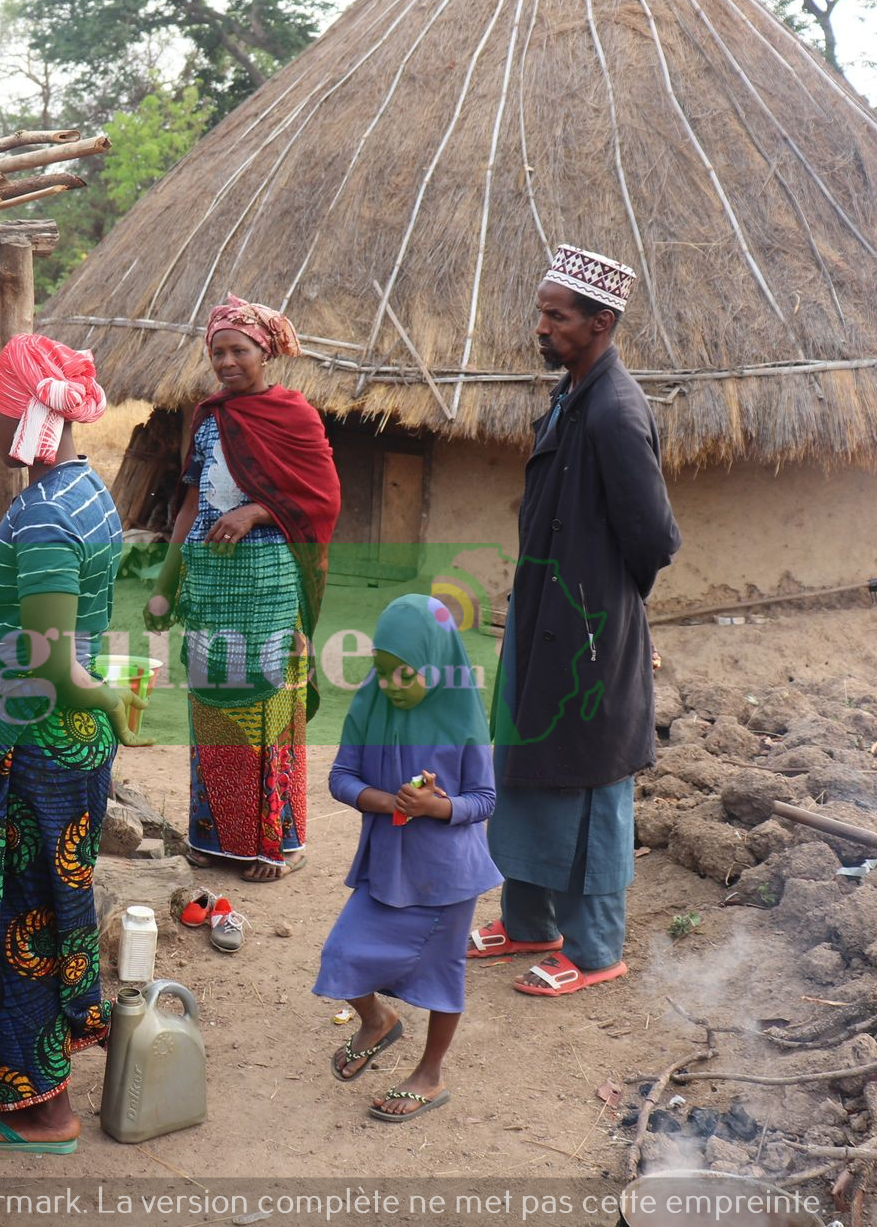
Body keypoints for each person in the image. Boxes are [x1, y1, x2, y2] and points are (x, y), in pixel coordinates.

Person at [0, 335, 148, 1153]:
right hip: (64, 744)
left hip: (34, 745)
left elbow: (55, 664)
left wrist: (105, 693)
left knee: (13, 916)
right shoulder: (85, 491)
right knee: (47, 907)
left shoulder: (43, 518)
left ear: (21, 410)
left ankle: (38, 1109)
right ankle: (40, 1087)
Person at [473, 246, 680, 998]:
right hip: (544, 617)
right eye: (542, 311)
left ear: (601, 322)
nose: (543, 326)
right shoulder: (571, 395)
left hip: (589, 629)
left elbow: (654, 539)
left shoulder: (618, 413)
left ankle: (594, 948)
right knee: (527, 768)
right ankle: (528, 920)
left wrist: (600, 606)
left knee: (591, 781)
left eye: (556, 316)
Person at [147, 296, 340, 884]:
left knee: (265, 703)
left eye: (239, 350)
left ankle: (272, 842)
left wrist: (257, 511)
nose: (228, 362)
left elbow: (322, 497)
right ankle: (214, 836)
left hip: (269, 584)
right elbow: (188, 506)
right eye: (218, 352)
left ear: (266, 351)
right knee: (210, 705)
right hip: (209, 584)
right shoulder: (208, 419)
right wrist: (165, 583)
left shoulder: (294, 415)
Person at [316, 594, 499, 1122]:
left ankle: (429, 1073)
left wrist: (438, 807)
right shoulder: (370, 703)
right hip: (387, 863)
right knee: (342, 956)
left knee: (443, 977)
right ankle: (378, 1022)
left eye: (405, 674)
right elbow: (340, 778)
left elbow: (485, 799)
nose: (390, 685)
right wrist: (389, 800)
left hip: (448, 875)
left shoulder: (462, 713)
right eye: (381, 671)